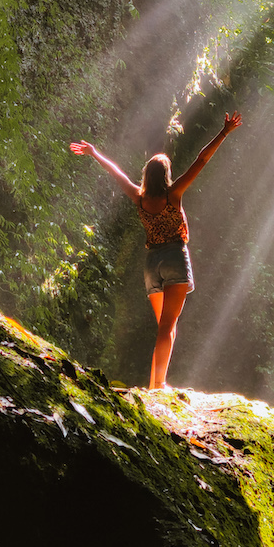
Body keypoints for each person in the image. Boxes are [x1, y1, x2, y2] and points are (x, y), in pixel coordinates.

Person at [69, 113, 242, 389]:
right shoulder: (172, 195)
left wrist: (93, 153)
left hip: (151, 264)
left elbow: (117, 173)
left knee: (166, 327)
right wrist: (223, 132)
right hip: (174, 257)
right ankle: (158, 387)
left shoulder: (139, 197)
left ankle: (155, 385)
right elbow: (201, 160)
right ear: (166, 176)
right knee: (166, 327)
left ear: (146, 175)